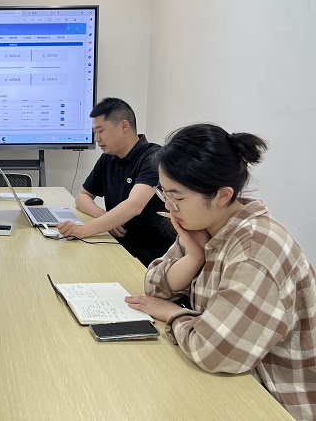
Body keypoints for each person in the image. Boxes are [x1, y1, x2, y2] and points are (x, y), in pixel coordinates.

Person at [126, 123, 316, 420]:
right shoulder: (205, 224)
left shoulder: (255, 252)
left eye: (177, 198)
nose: (169, 207)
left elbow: (212, 350)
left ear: (222, 195)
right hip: (233, 380)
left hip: (275, 401)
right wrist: (194, 256)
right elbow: (155, 287)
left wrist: (173, 313)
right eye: (165, 194)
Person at [57, 97, 174, 266]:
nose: (96, 138)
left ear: (124, 126)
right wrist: (106, 218)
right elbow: (82, 196)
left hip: (151, 256)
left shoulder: (153, 157)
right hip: (117, 245)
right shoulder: (108, 158)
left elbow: (134, 205)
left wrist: (82, 230)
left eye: (100, 131)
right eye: (94, 132)